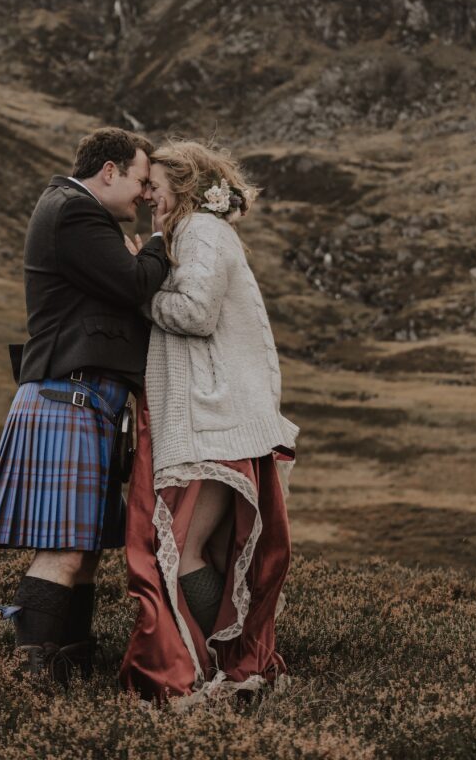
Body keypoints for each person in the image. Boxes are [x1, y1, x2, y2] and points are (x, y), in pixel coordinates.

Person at [0, 127, 169, 680]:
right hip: (68, 399)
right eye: (139, 179)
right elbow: (134, 283)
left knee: (83, 551)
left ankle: (71, 668)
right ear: (109, 171)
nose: (144, 194)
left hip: (86, 403)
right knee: (64, 547)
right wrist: (158, 243)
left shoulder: (78, 214)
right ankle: (30, 672)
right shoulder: (75, 213)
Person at [119, 139, 299, 705]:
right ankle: (236, 664)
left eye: (155, 185)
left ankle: (218, 667)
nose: (147, 194)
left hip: (211, 421)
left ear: (185, 187)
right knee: (215, 552)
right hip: (214, 419)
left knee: (185, 548)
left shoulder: (201, 231)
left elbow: (195, 314)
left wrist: (136, 293)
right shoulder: (198, 233)